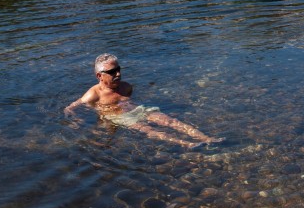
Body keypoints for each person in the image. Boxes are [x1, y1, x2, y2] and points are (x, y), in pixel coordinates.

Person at [64, 53, 224, 148]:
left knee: (171, 121)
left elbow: (130, 99)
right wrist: (76, 120)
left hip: (138, 109)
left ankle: (207, 139)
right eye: (112, 72)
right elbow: (70, 108)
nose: (118, 74)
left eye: (118, 69)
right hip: (120, 116)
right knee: (149, 130)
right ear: (99, 75)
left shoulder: (126, 86)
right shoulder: (93, 95)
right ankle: (187, 144)